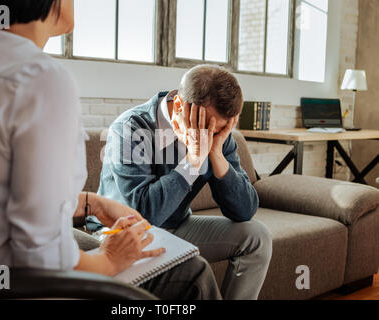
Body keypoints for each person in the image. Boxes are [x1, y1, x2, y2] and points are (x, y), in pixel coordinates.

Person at [0, 0, 221, 300]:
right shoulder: (40, 78)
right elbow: (42, 261)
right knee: (192, 274)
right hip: (13, 284)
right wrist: (108, 259)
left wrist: (88, 203)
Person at [98, 64, 273, 300]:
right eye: (208, 127)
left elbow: (245, 210)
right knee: (193, 267)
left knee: (257, 235)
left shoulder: (218, 134)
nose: (213, 135)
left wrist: (217, 155)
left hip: (178, 225)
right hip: (123, 232)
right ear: (180, 107)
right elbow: (144, 214)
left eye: (221, 130)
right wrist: (193, 160)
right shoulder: (130, 128)